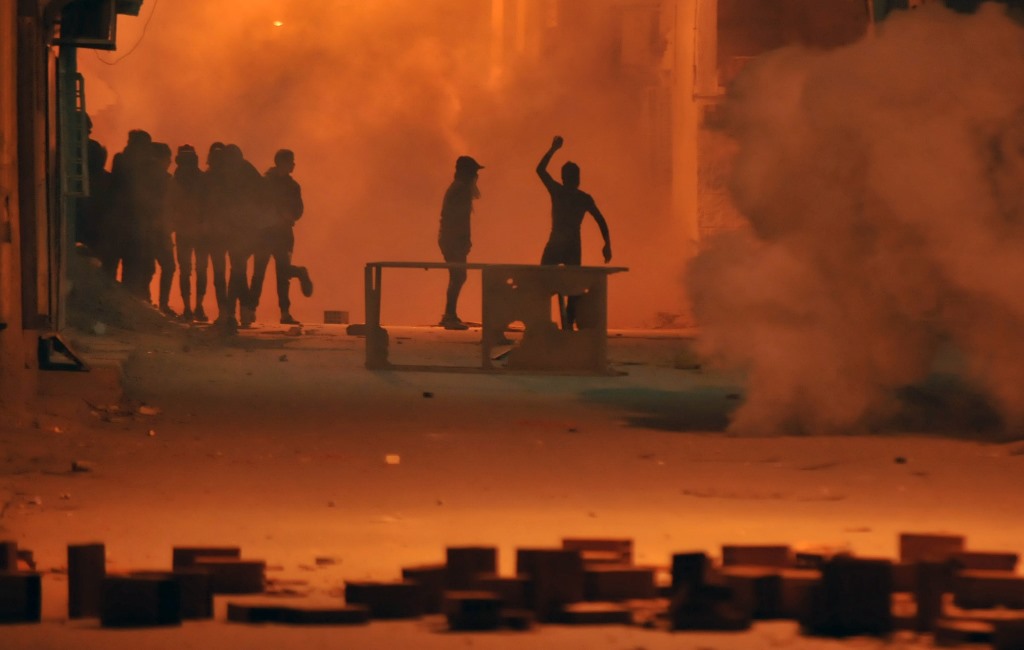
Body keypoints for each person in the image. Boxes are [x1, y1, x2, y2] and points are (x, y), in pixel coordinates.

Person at [536, 135, 612, 330]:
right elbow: (601, 220)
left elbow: (540, 170)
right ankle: (566, 323)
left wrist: (553, 149)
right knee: (570, 286)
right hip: (570, 244)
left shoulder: (560, 192)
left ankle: (547, 321)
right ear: (576, 178)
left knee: (544, 282)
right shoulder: (581, 197)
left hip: (558, 243)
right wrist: (607, 244)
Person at [248, 149, 313, 325]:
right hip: (266, 233)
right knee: (261, 273)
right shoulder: (266, 183)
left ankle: (283, 312)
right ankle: (252, 309)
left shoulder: (292, 186)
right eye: (290, 161)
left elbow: (299, 210)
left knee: (281, 275)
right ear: (281, 163)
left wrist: (289, 215)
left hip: (280, 233)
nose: (293, 165)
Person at [437, 155, 484, 330]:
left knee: (457, 275)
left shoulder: (457, 188)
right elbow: (460, 218)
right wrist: (464, 239)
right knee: (458, 275)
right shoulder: (461, 189)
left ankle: (450, 313)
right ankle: (449, 315)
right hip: (453, 239)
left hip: (451, 238)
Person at [168, 144, 209, 322]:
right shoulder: (202, 179)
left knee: (185, 270)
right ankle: (198, 306)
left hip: (184, 230)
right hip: (200, 231)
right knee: (201, 269)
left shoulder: (175, 180)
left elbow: (171, 206)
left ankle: (187, 309)